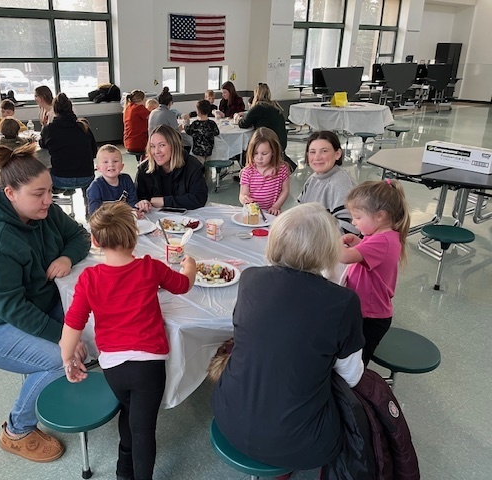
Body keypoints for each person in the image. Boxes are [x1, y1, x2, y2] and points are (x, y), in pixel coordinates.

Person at [0, 143, 91, 463]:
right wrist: (63, 337)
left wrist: (68, 257)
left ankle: (47, 379)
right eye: (38, 193)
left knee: (90, 318)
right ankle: (17, 429)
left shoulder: (43, 211)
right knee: (60, 357)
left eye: (50, 191)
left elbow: (80, 236)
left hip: (34, 304)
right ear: (10, 193)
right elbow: (11, 310)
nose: (48, 200)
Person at [211, 202, 365, 474]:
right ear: (329, 248)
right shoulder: (343, 301)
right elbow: (351, 377)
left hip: (228, 415)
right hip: (300, 442)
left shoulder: (250, 279)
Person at [60, 201, 196, 480]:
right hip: (148, 366)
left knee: (129, 410)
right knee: (144, 428)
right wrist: (190, 266)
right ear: (134, 235)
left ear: (95, 240)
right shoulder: (150, 268)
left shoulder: (90, 277)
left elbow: (73, 322)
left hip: (113, 366)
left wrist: (67, 359)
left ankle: (124, 468)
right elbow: (183, 285)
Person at [338, 179, 410, 365]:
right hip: (367, 312)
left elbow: (344, 257)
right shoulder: (382, 236)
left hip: (369, 317)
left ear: (380, 216)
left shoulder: (382, 241)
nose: (354, 222)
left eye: (358, 217)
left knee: (355, 365)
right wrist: (359, 244)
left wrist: (332, 242)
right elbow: (372, 258)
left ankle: (355, 392)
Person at [39, 93, 97, 214]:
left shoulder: (49, 129)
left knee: (43, 171)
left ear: (54, 110)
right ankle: (90, 212)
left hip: (60, 179)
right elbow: (94, 152)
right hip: (86, 177)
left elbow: (42, 144)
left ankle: (52, 212)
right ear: (71, 108)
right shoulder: (83, 127)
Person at [134, 125, 209, 211]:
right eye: (152, 146)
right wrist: (143, 202)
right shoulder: (144, 169)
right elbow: (138, 198)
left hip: (187, 219)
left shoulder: (192, 166)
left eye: (162, 145)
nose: (156, 151)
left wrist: (164, 201)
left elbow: (199, 199)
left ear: (174, 146)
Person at [298, 131, 358, 234]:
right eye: (312, 152)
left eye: (324, 151)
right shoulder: (313, 179)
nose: (317, 157)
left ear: (337, 154)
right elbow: (301, 211)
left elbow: (350, 229)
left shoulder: (341, 184)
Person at [239, 127, 290, 216]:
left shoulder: (281, 169)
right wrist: (244, 199)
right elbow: (243, 194)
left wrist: (276, 206)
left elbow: (285, 190)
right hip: (252, 213)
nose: (259, 158)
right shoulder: (247, 171)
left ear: (273, 152)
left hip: (272, 213)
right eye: (255, 153)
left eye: (264, 153)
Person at [86, 144, 139, 215]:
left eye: (115, 161)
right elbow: (94, 213)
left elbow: (133, 202)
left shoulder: (126, 180)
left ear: (122, 166)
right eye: (105, 162)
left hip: (125, 219)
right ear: (98, 168)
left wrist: (135, 211)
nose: (111, 164)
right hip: (105, 222)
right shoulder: (95, 187)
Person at [236, 82, 288, 152]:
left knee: (248, 147)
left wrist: (238, 119)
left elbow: (243, 124)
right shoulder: (275, 106)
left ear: (256, 94)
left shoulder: (258, 107)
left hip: (270, 144)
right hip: (281, 143)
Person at [123, 89, 150, 155]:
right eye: (145, 99)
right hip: (139, 143)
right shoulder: (139, 108)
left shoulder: (128, 108)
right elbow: (153, 117)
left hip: (128, 142)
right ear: (141, 99)